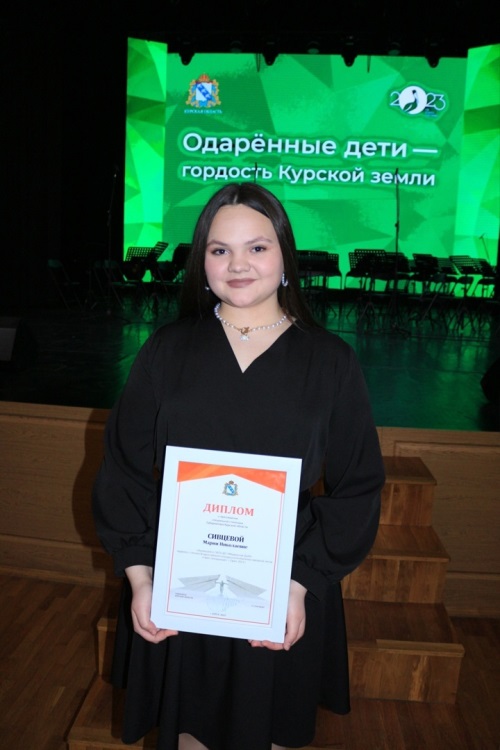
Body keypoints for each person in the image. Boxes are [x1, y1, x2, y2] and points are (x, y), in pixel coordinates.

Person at [92, 182, 385, 750]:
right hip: (180, 581)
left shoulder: (330, 360)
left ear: (284, 258)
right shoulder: (167, 349)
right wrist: (140, 576)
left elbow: (359, 484)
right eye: (220, 249)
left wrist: (301, 584)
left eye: (257, 247)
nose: (238, 264)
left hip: (284, 583)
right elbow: (123, 466)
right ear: (202, 262)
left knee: (268, 727)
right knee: (188, 730)